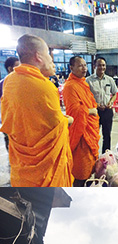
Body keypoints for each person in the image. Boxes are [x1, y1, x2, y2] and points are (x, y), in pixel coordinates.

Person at [0, 34, 74, 187]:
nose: (50, 59)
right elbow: (56, 125)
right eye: (48, 54)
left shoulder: (9, 80)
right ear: (39, 56)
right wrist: (68, 120)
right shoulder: (45, 86)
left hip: (22, 163)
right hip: (45, 171)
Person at [62, 56, 100, 186]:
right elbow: (74, 111)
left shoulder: (82, 83)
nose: (84, 68)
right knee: (81, 168)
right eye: (80, 66)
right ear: (71, 68)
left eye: (85, 65)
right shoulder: (70, 86)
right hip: (81, 133)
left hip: (89, 128)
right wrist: (91, 111)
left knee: (90, 167)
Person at [87, 57, 118, 153]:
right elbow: (86, 97)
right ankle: (93, 156)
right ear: (94, 66)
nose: (102, 67)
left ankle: (106, 157)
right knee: (93, 135)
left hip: (107, 111)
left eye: (103, 65)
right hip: (95, 112)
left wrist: (111, 102)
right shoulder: (88, 81)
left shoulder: (109, 80)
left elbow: (115, 93)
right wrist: (96, 105)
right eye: (99, 65)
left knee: (107, 135)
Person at [0, 56, 20, 151]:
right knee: (11, 145)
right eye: (18, 66)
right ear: (10, 68)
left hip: (19, 120)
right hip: (9, 120)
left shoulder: (21, 82)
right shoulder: (4, 84)